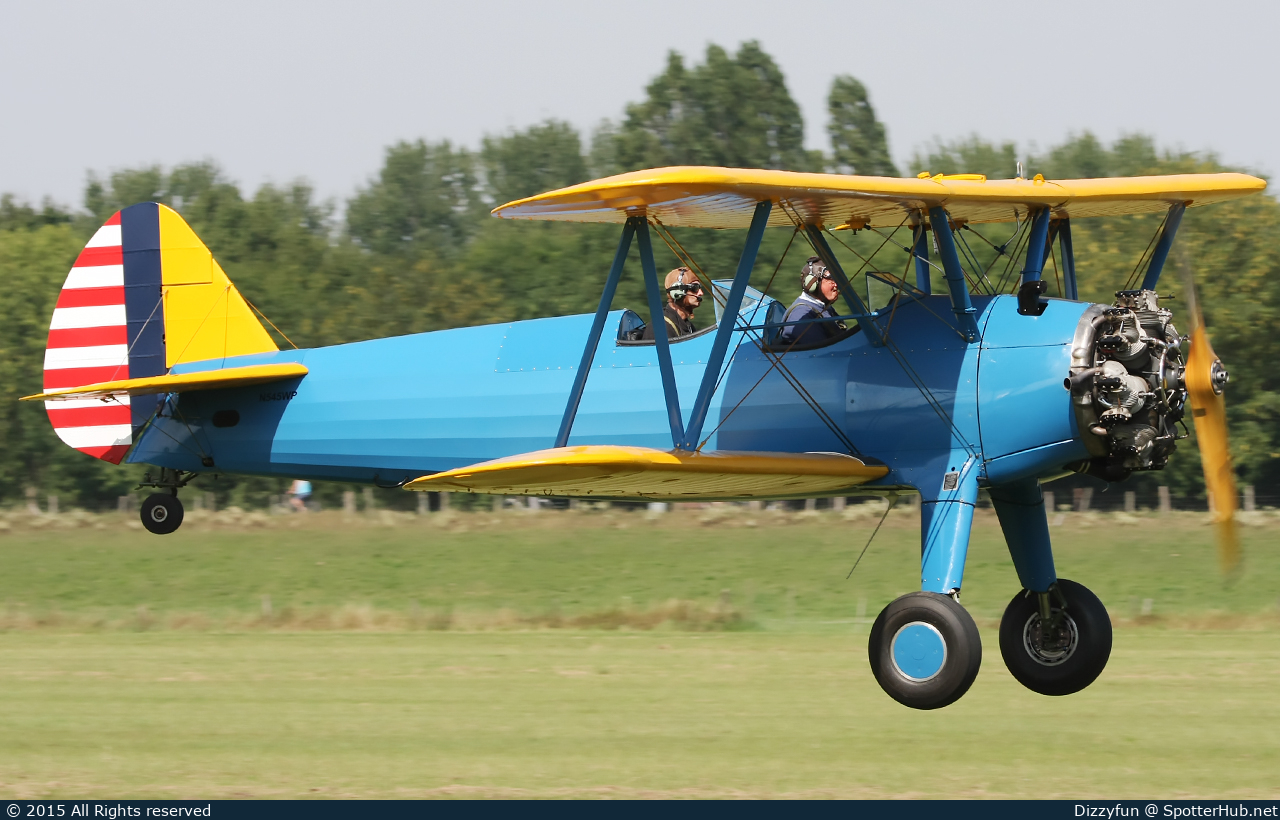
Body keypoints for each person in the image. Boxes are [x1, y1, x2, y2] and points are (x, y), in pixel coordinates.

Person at [777, 256, 848, 347]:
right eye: (831, 279)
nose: (836, 284)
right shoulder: (801, 315)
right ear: (812, 283)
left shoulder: (824, 308)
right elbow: (822, 352)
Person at [640, 267, 703, 340]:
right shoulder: (660, 328)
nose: (701, 293)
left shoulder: (688, 326)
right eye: (695, 288)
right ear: (677, 291)